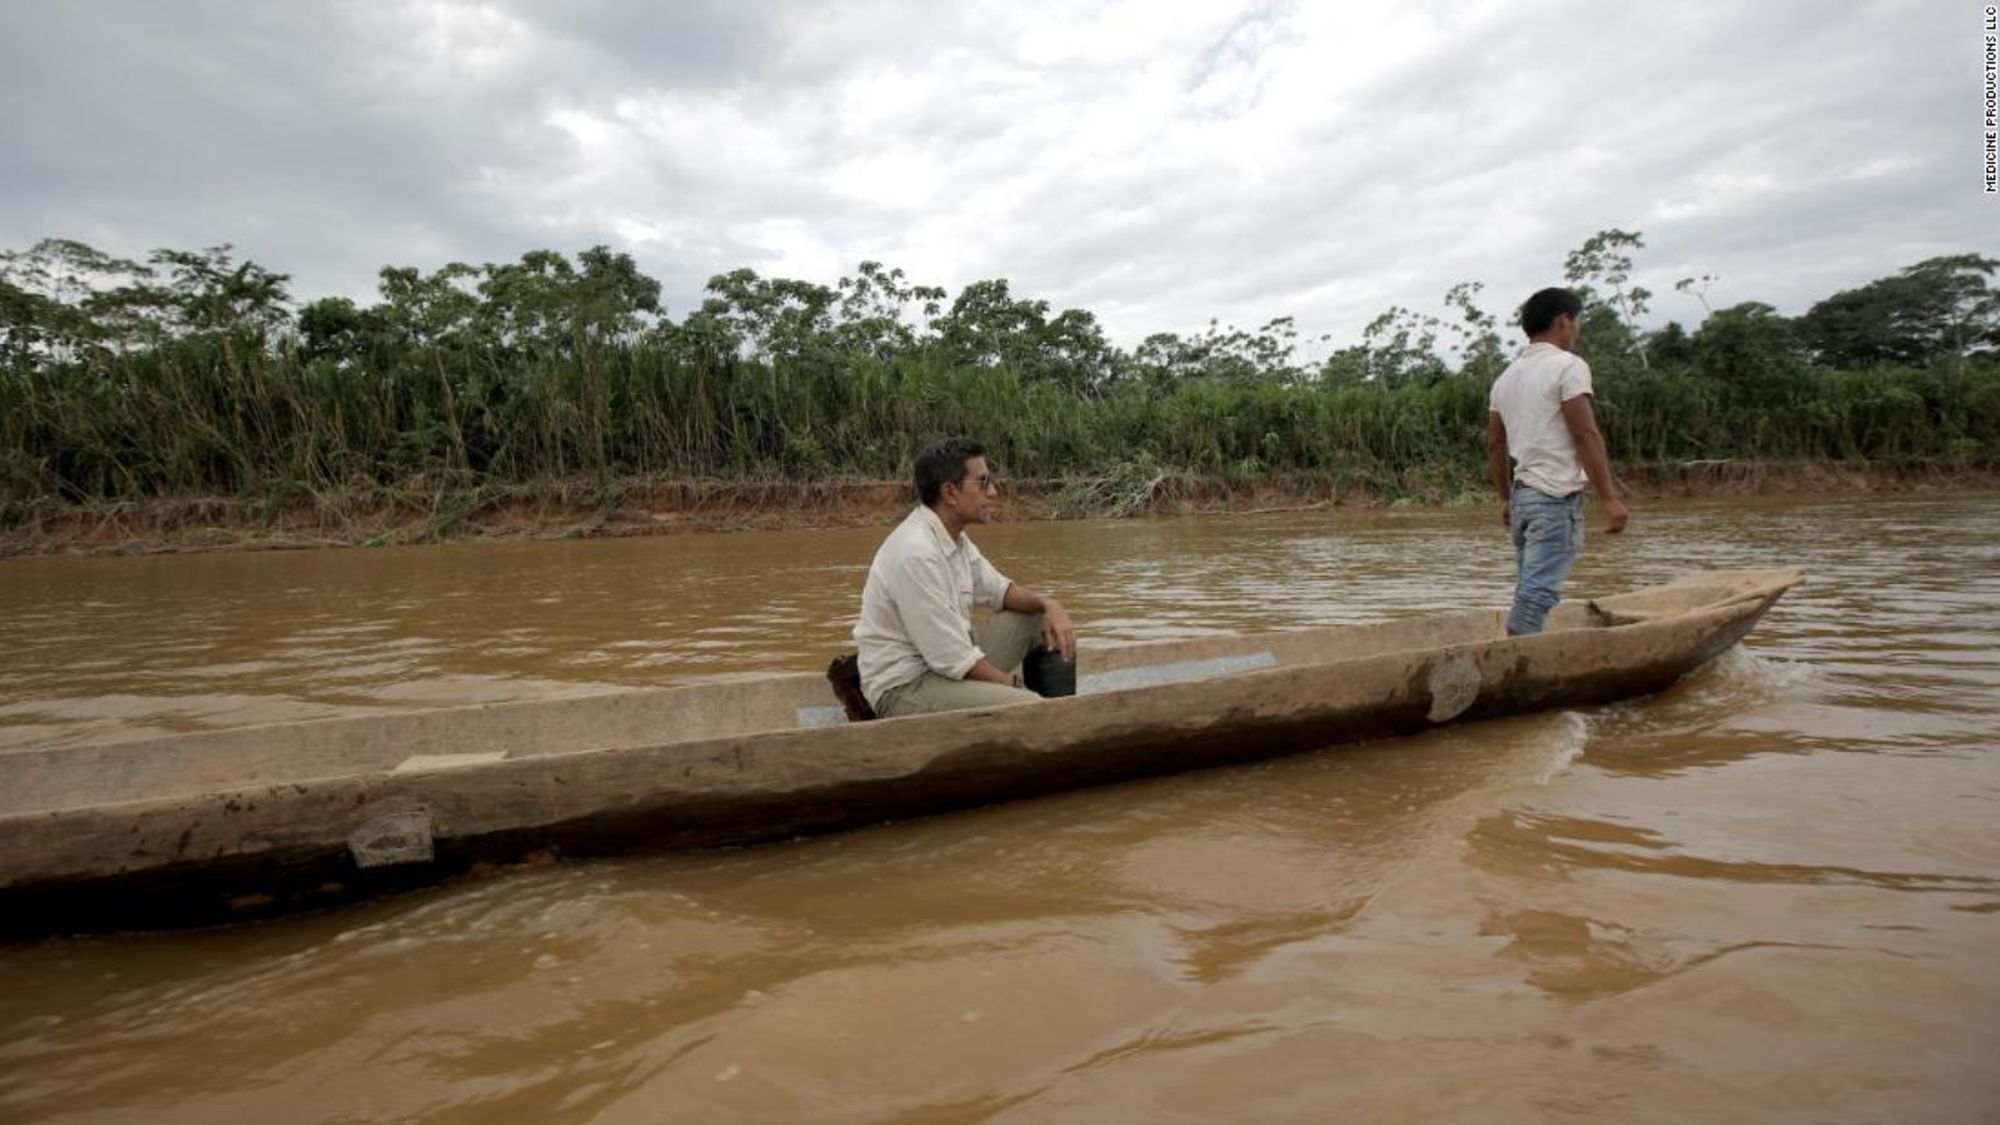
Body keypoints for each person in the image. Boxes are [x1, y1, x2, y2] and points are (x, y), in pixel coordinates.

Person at [853, 437, 1078, 717]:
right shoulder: (916, 553)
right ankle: (1045, 719)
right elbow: (953, 660)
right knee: (1029, 708)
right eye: (983, 483)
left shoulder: (954, 540)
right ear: (950, 492)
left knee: (1042, 622)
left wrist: (1049, 604)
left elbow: (1000, 592)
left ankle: (1061, 720)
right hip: (907, 685)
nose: (993, 492)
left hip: (945, 661)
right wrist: (1015, 687)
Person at [1486, 287, 1630, 636]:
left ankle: (1521, 645)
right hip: (1552, 497)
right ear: (1564, 321)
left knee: (1530, 586)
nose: (1576, 328)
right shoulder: (1567, 366)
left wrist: (1505, 498)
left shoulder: (1505, 378)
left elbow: (1495, 445)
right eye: (1576, 321)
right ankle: (1515, 658)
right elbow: (1585, 435)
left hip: (1523, 497)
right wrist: (1609, 498)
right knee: (1538, 592)